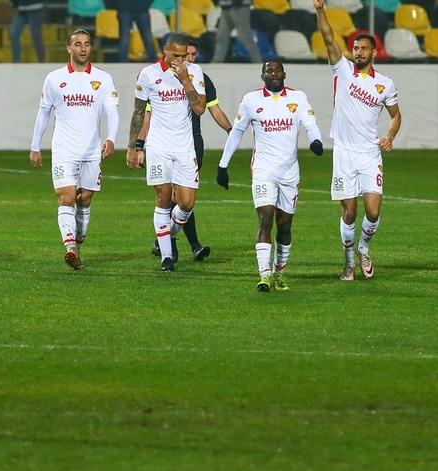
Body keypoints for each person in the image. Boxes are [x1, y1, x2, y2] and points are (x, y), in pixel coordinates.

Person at [216, 60, 324, 291]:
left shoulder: (298, 98)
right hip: (263, 170)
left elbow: (311, 123)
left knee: (284, 225)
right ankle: (264, 274)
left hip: (289, 173)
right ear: (262, 76)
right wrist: (223, 165)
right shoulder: (251, 100)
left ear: (284, 73)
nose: (273, 74)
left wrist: (316, 141)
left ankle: (279, 274)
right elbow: (236, 133)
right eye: (269, 71)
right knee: (265, 219)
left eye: (277, 70)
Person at [315, 0, 402, 280]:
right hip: (343, 152)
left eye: (364, 48)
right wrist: (320, 9)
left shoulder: (385, 84)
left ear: (374, 52)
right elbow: (329, 38)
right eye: (355, 48)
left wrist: (389, 135)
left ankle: (364, 248)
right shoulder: (342, 70)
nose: (358, 52)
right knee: (350, 212)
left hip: (369, 153)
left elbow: (396, 116)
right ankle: (349, 260)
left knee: (373, 212)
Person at [30, 28, 119, 270]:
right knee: (66, 197)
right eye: (77, 44)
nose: (82, 48)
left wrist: (111, 137)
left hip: (91, 151)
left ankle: (78, 244)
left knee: (85, 199)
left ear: (90, 48)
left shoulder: (103, 79)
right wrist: (35, 145)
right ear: (69, 48)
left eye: (87, 44)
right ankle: (69, 246)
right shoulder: (54, 79)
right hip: (63, 149)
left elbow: (111, 111)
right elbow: (44, 113)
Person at [136, 40, 231, 261]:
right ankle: (183, 245)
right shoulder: (155, 78)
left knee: (185, 199)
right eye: (184, 54)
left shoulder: (201, 77)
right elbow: (146, 113)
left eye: (192, 54)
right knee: (171, 196)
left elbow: (211, 109)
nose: (187, 59)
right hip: (164, 143)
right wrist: (138, 144)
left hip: (192, 142)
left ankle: (165, 237)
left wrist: (231, 131)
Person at [127, 33, 205, 272]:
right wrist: (133, 146)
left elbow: (200, 109)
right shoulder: (148, 74)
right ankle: (167, 258)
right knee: (162, 199)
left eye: (184, 56)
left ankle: (164, 236)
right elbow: (139, 111)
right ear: (165, 50)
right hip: (158, 146)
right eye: (176, 55)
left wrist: (185, 80)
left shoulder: (194, 71)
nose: (180, 60)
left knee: (187, 204)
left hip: (184, 146)